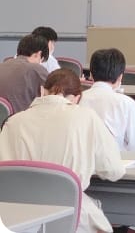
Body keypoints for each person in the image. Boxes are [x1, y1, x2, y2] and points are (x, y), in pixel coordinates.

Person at [0, 69, 125, 233]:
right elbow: (114, 171)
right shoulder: (87, 117)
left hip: (18, 220)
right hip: (71, 218)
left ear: (42, 91)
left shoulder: (12, 122)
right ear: (78, 98)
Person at [79, 48, 135, 152]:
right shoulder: (128, 104)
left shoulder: (77, 99)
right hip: (117, 160)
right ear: (120, 77)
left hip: (81, 160)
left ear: (91, 74)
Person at [0, 34, 49, 113]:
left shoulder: (2, 65)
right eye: (41, 60)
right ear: (38, 54)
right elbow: (57, 94)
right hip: (20, 119)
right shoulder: (36, 69)